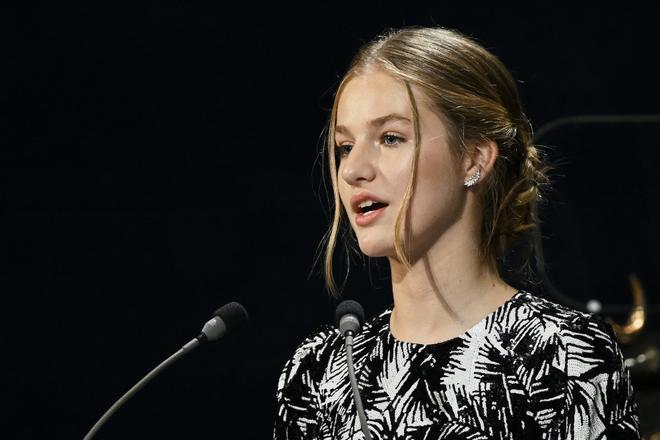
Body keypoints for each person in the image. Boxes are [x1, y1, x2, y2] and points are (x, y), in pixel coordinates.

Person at [273, 26, 640, 439]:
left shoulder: (560, 354)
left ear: (474, 160)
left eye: (391, 138)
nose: (354, 170)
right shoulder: (320, 371)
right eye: (344, 147)